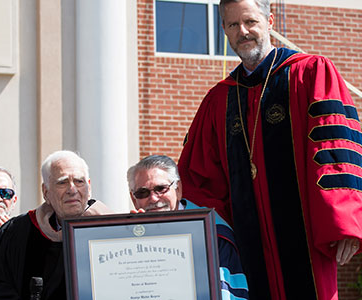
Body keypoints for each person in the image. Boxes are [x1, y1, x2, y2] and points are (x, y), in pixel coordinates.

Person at [177, 0, 362, 299]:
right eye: (233, 25)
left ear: (270, 21)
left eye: (250, 21)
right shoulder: (218, 100)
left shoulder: (310, 74)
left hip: (305, 239)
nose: (243, 31)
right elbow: (198, 178)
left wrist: (345, 223)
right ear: (223, 29)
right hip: (247, 246)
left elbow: (335, 150)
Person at [0, 150, 113, 299]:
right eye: (62, 182)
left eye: (79, 181)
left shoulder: (111, 230)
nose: (72, 189)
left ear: (89, 188)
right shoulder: (18, 231)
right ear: (46, 192)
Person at [127, 155, 249, 299]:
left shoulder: (212, 233)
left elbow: (227, 294)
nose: (153, 198)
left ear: (178, 190)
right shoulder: (128, 237)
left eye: (161, 188)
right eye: (142, 193)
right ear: (134, 200)